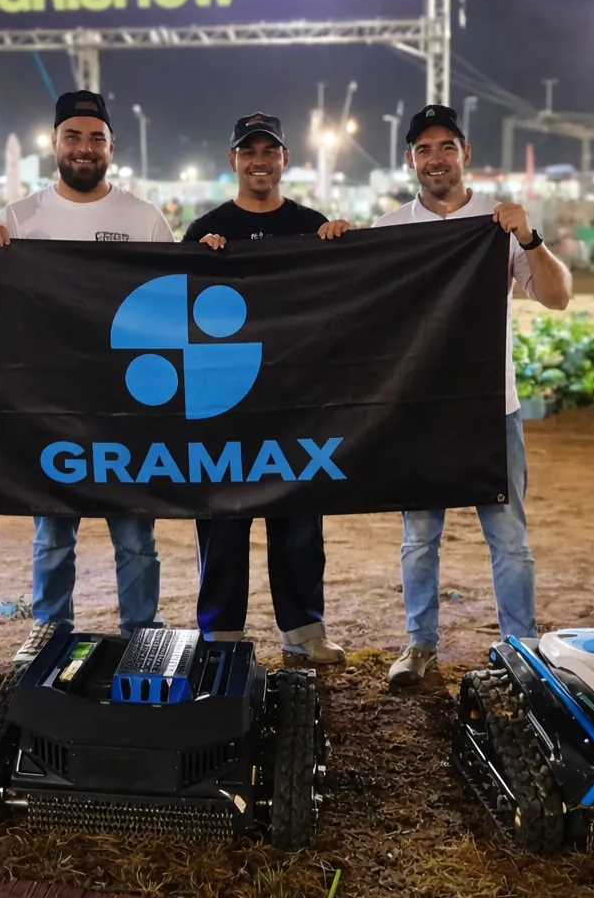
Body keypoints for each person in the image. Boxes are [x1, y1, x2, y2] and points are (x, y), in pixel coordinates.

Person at [373, 104, 572, 685]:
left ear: (466, 155)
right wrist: (336, 242)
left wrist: (529, 238)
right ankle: (419, 644)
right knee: (419, 538)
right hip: (420, 412)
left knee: (509, 538)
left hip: (491, 410)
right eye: (424, 150)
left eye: (446, 147)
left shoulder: (500, 224)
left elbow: (557, 298)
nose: (436, 159)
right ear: (410, 160)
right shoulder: (390, 230)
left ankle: (522, 649)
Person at [0, 90, 172, 650]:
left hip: (128, 407)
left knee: (135, 534)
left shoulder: (144, 217)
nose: (84, 149)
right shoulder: (19, 218)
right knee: (54, 533)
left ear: (111, 146)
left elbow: (169, 303)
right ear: (54, 143)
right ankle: (49, 630)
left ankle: (141, 634)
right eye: (73, 137)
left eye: (95, 139)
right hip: (51, 407)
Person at [182, 112, 349, 665]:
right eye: (248, 151)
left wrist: (344, 249)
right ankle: (220, 636)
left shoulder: (312, 225)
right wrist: (195, 263)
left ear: (284, 160)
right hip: (222, 408)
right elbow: (176, 312)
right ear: (232, 160)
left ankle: (304, 632)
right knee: (222, 525)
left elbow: (343, 302)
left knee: (299, 522)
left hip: (293, 407)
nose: (259, 161)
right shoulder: (204, 230)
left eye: (269, 151)